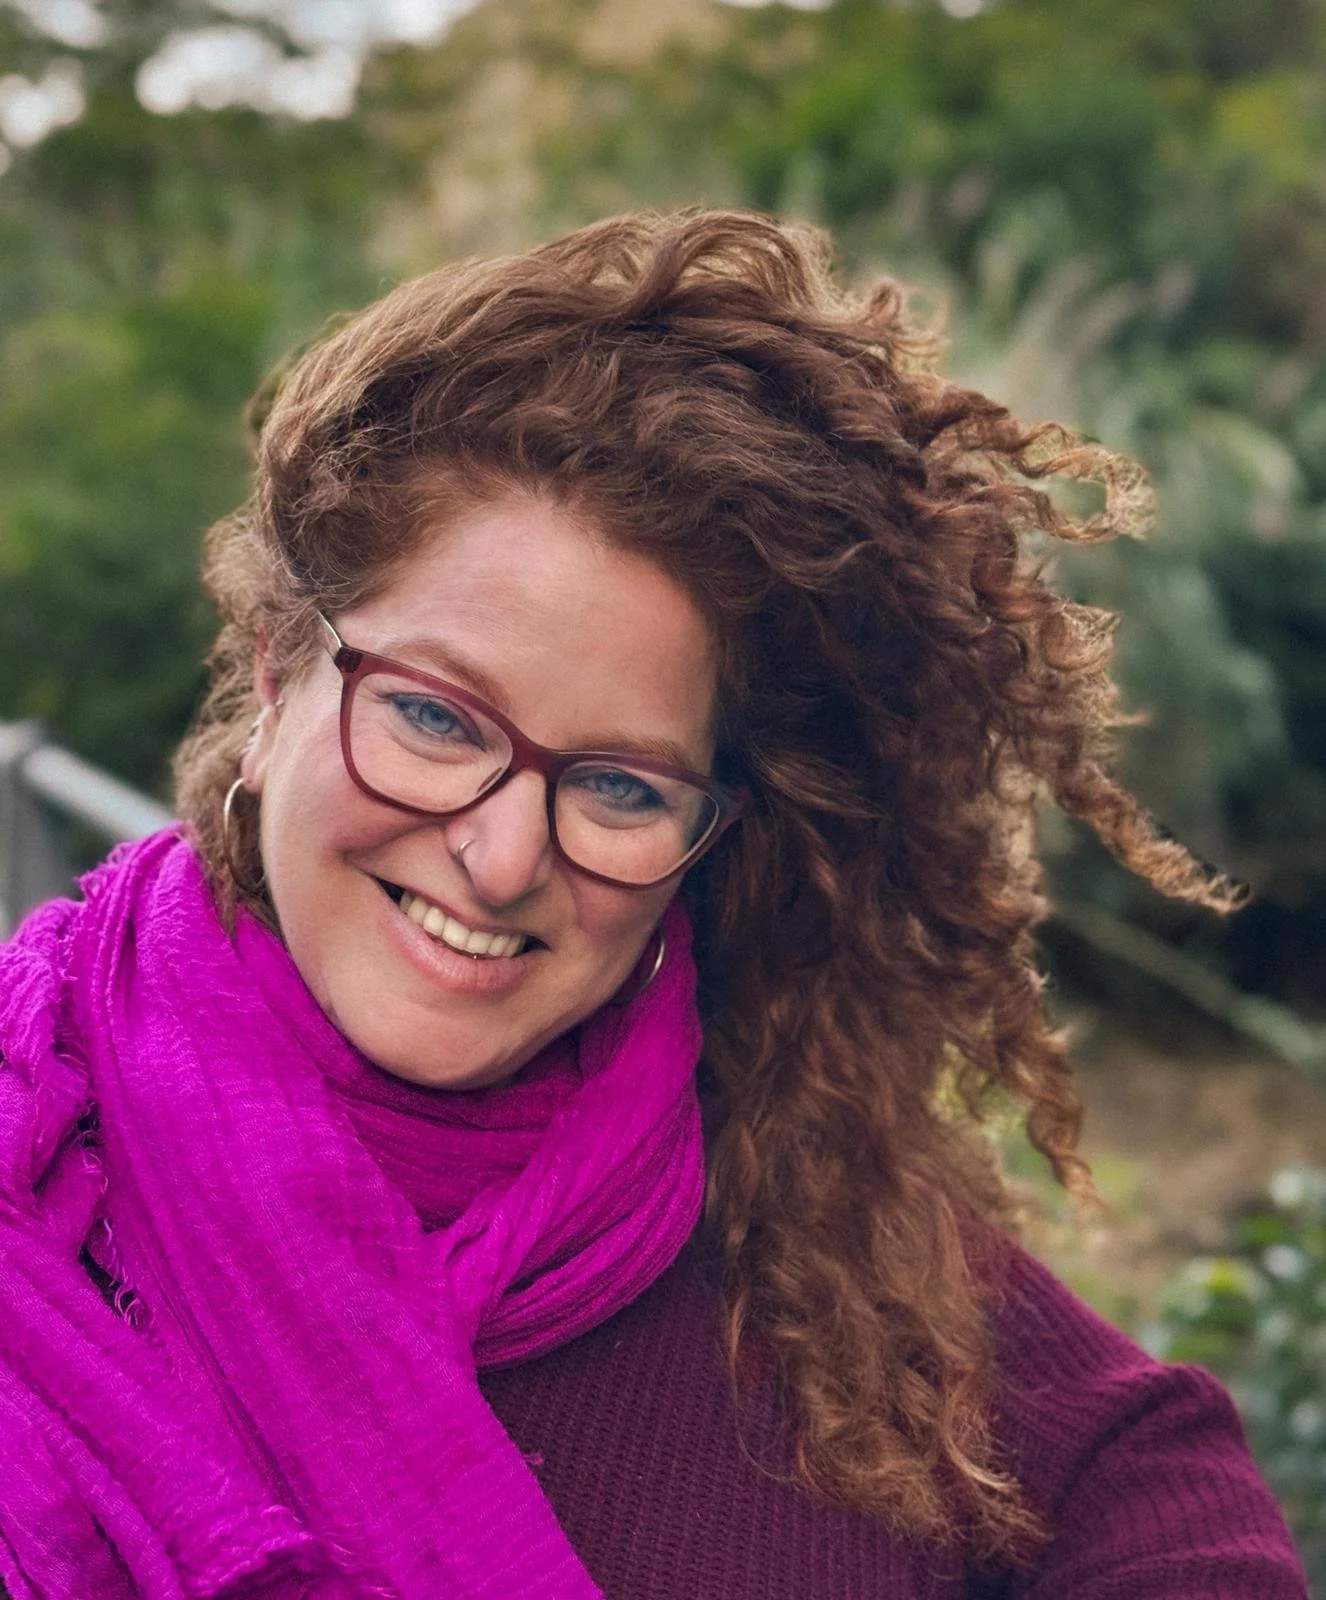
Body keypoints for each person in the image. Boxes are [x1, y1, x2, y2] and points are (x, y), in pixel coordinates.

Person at [0, 210, 1306, 1600]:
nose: (503, 859)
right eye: (436, 717)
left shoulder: (787, 1190)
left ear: (711, 830)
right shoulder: (41, 1158)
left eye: (621, 788)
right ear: (275, 681)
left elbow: (1149, 1473)